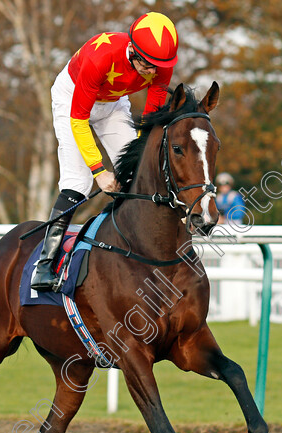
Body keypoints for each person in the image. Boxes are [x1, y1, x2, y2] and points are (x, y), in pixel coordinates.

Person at [31, 12, 178, 291]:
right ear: (133, 50)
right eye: (148, 64)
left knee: (140, 172)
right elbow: (79, 119)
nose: (154, 72)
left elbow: (148, 120)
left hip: (112, 103)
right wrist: (99, 171)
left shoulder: (160, 66)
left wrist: (138, 159)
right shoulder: (100, 57)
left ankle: (136, 250)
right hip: (73, 98)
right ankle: (45, 264)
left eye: (160, 66)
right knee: (79, 182)